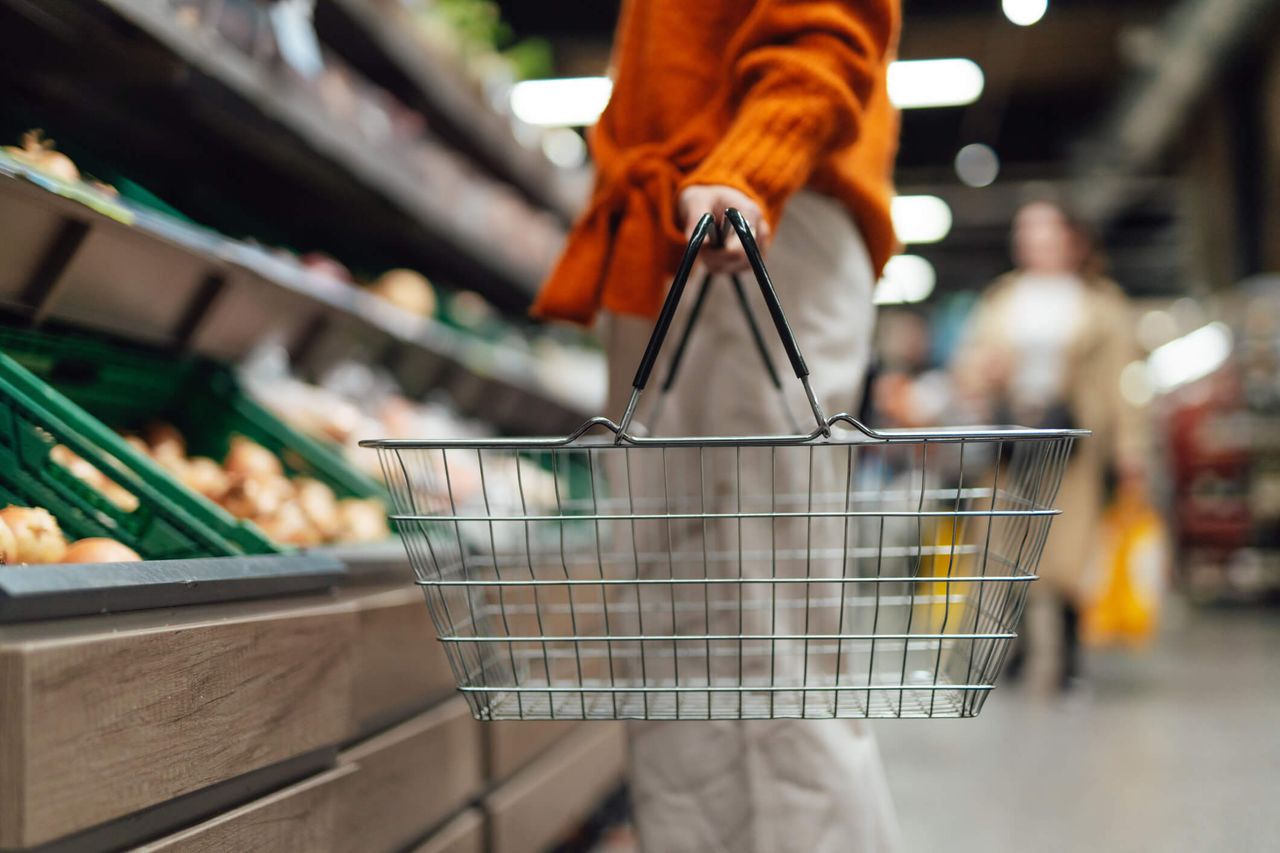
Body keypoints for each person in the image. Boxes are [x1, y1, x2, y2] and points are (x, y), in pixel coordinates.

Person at [532, 2, 903, 851]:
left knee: (763, 629)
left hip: (753, 217)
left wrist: (754, 164)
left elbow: (829, 23)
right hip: (689, 225)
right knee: (678, 630)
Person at [952, 200, 1147, 693]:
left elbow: (1122, 384)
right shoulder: (1003, 298)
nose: (1033, 240)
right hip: (1012, 440)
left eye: (1043, 230)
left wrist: (1131, 449)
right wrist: (982, 374)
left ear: (1070, 239)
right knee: (1006, 548)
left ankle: (1068, 659)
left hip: (1074, 442)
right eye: (1026, 230)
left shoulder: (1101, 303)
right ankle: (1010, 655)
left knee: (1069, 550)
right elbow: (969, 364)